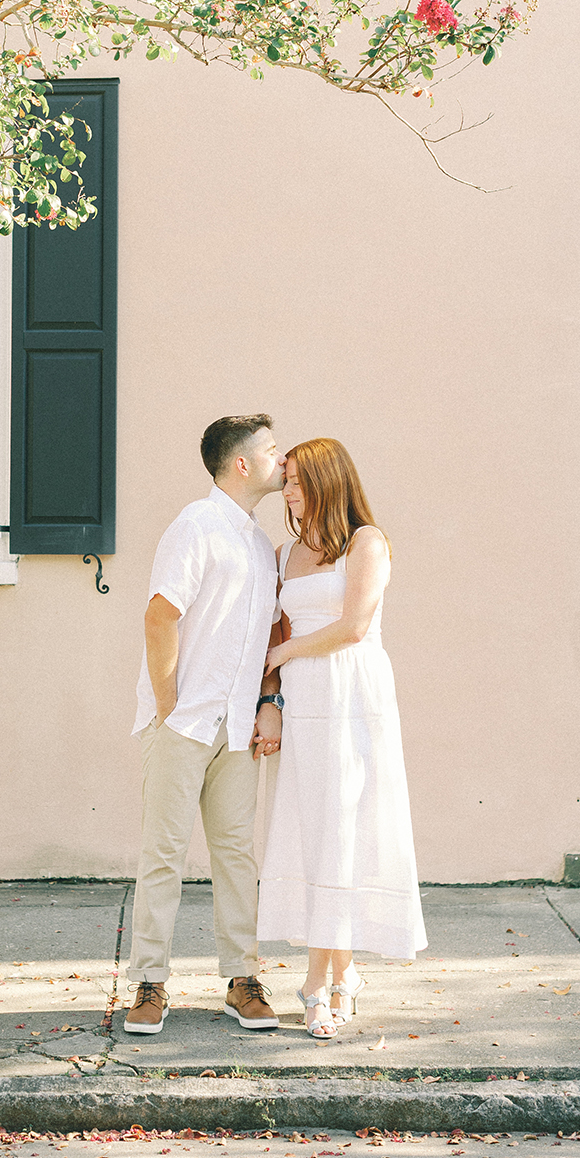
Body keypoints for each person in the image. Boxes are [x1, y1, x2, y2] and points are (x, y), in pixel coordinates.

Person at [257, 438, 426, 1040]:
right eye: (287, 480)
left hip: (354, 699)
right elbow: (272, 639)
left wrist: (284, 650)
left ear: (330, 481)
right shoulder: (282, 556)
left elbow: (354, 626)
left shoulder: (366, 543)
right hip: (302, 705)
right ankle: (342, 972)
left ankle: (318, 981)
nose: (289, 490)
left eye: (299, 480)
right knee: (317, 832)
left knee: (346, 829)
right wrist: (270, 700)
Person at [124, 414, 287, 1036]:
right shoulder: (195, 525)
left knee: (236, 855)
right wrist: (169, 705)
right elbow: (160, 615)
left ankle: (241, 978)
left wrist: (265, 704)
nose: (281, 457)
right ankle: (150, 982)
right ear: (240, 464)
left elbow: (267, 634)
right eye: (271, 449)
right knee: (163, 854)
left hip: (237, 728)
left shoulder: (255, 542)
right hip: (184, 723)